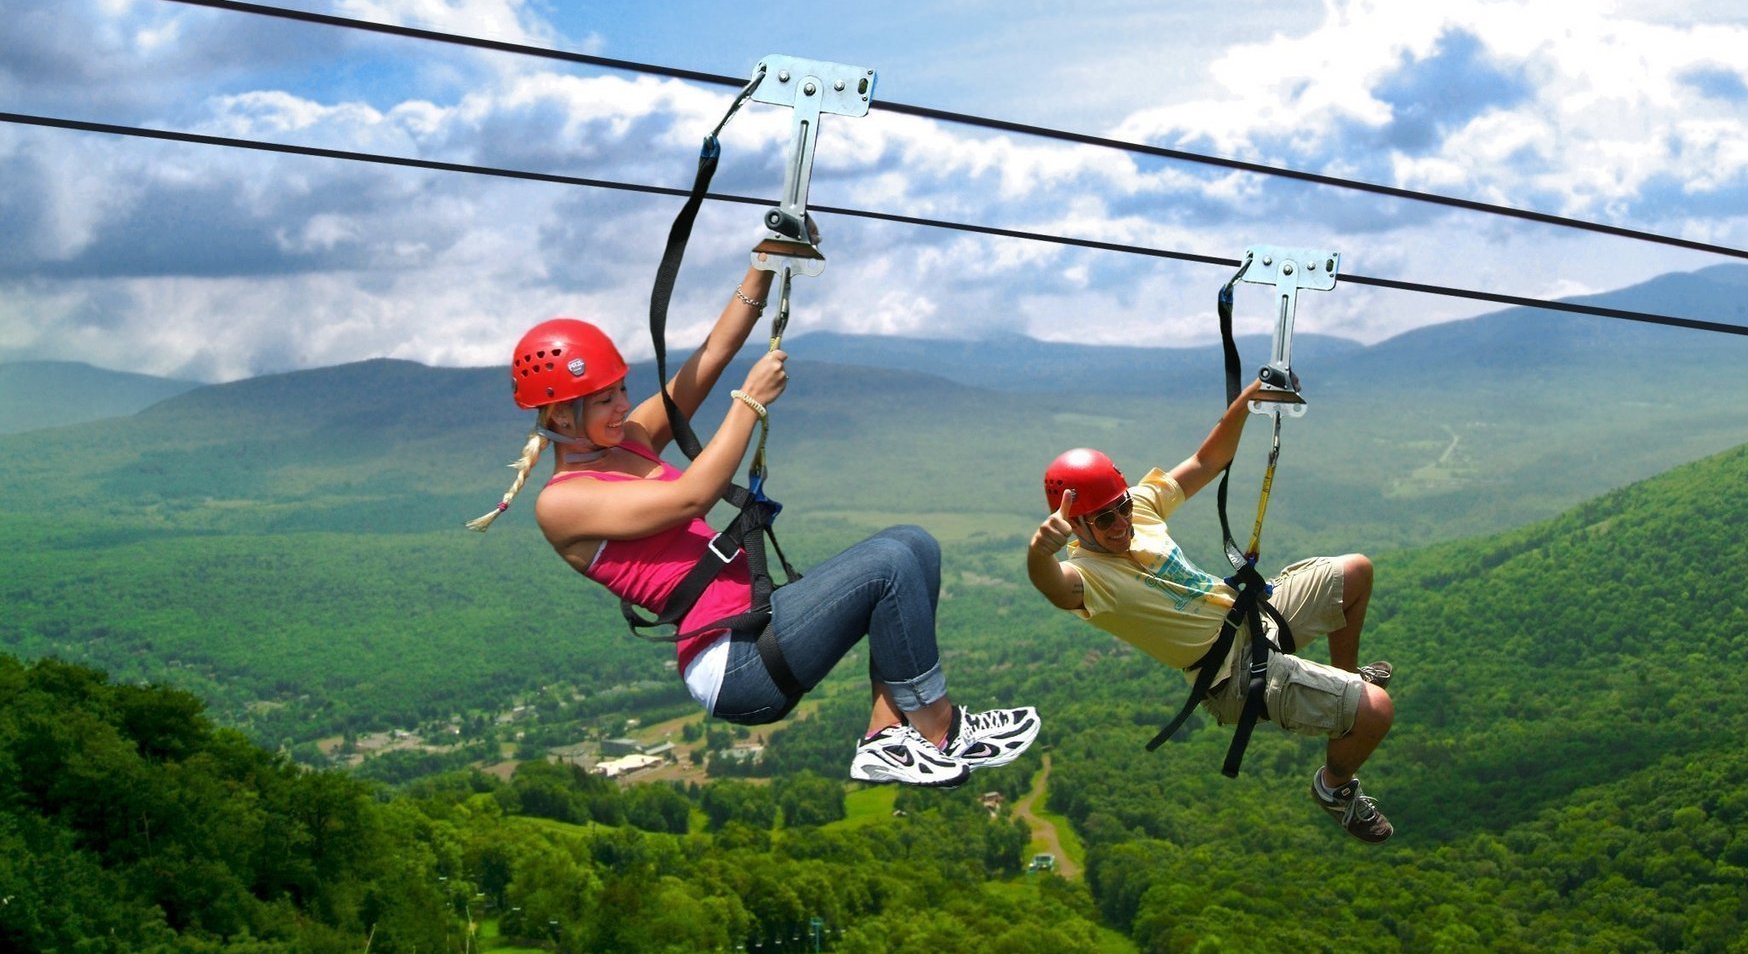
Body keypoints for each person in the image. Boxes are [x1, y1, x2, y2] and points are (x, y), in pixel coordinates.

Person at [470, 261, 1039, 787]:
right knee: (890, 567)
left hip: (755, 627)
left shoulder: (631, 440)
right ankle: (943, 728)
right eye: (604, 400)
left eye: (622, 390)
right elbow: (693, 498)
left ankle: (888, 735)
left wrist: (763, 263)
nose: (623, 405)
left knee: (913, 546)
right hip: (733, 666)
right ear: (560, 415)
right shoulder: (564, 502)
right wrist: (750, 403)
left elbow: (714, 352)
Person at [1025, 380, 1395, 842]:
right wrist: (1041, 553)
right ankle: (1334, 789)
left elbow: (1207, 461)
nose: (1121, 524)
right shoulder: (1089, 577)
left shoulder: (1138, 509)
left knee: (1356, 572)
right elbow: (1056, 590)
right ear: (1075, 526)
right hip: (1230, 676)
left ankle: (1345, 679)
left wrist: (1249, 399)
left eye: (1120, 507)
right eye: (1103, 519)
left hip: (1252, 620)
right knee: (1376, 711)